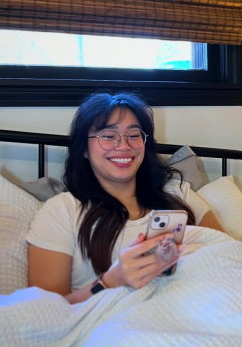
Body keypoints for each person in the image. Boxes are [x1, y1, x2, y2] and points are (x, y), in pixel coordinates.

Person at [26, 92, 223, 304]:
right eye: (108, 136)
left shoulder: (180, 194)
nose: (124, 146)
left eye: (134, 135)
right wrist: (112, 281)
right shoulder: (62, 211)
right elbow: (42, 312)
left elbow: (228, 257)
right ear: (83, 149)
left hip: (200, 310)